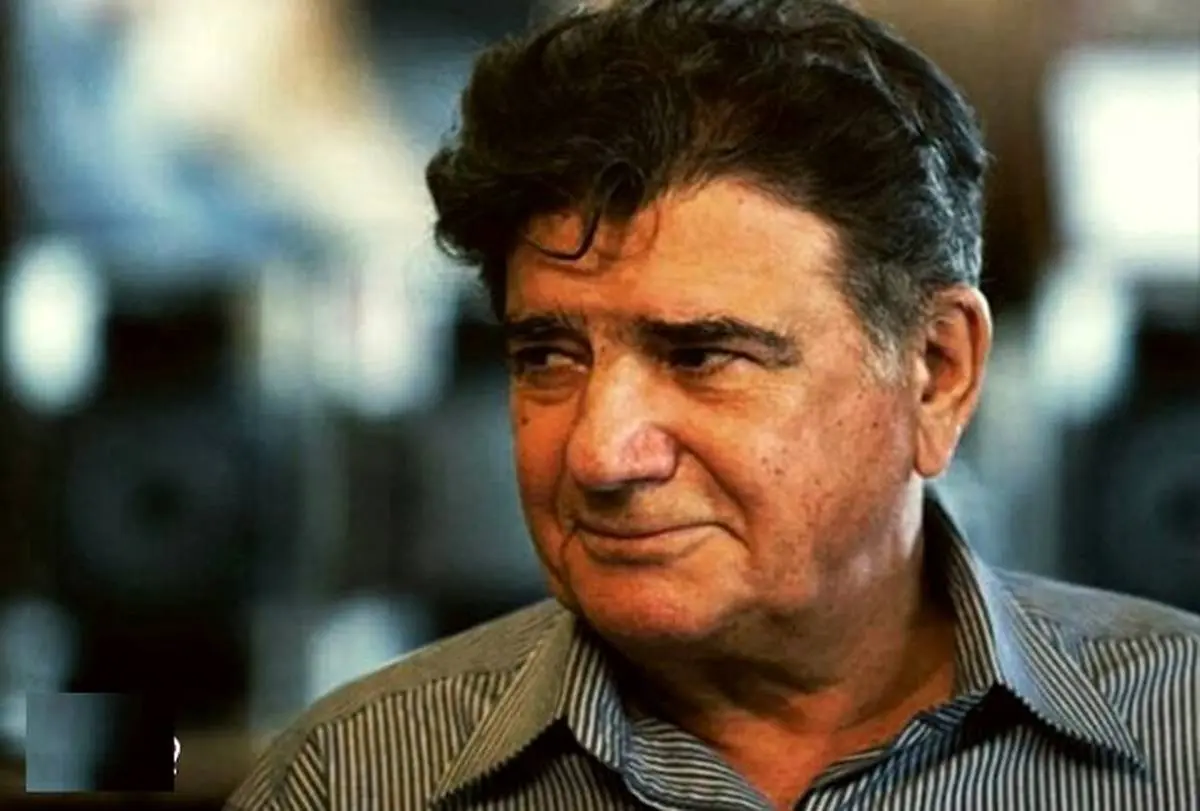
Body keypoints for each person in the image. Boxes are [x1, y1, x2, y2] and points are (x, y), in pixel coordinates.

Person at [224, 2, 1200, 809]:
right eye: (547, 356)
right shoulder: (352, 780)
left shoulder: (1181, 740)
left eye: (702, 355)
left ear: (937, 372)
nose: (601, 454)